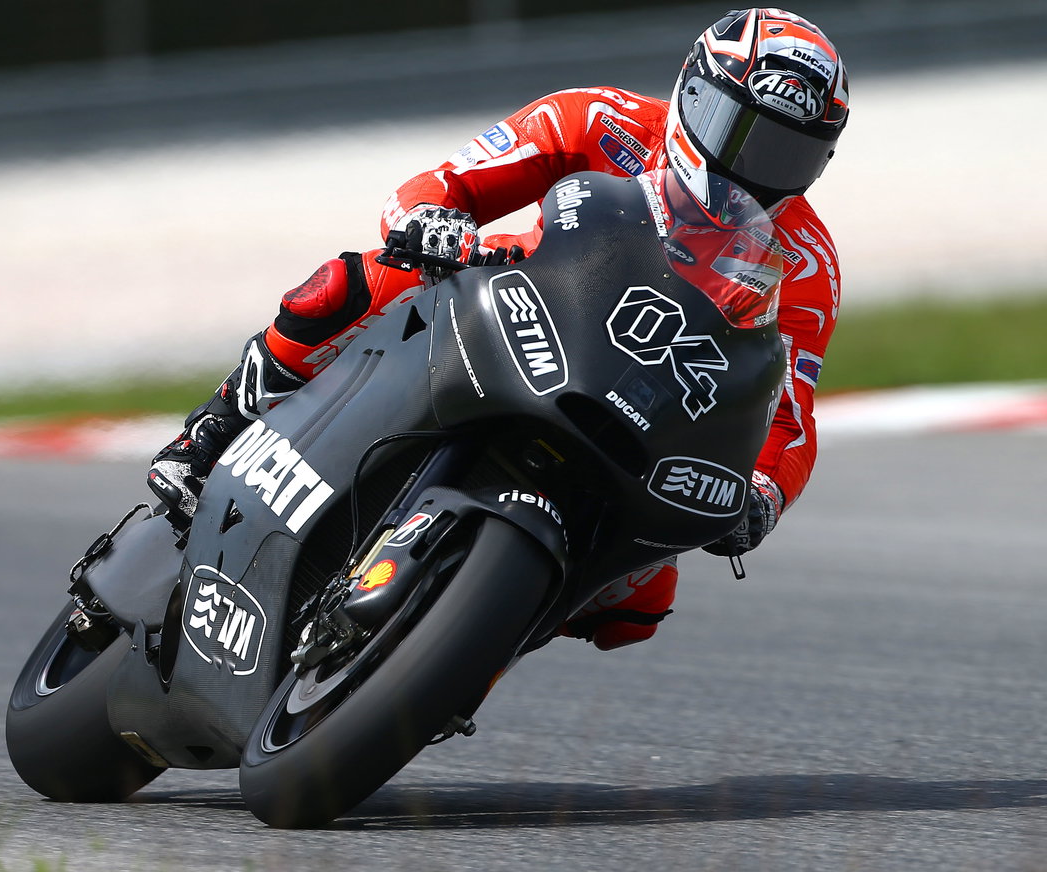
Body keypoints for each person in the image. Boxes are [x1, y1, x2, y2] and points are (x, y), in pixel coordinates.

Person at [148, 8, 849, 651]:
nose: (751, 170)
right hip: (524, 304)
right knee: (356, 284)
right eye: (740, 134)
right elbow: (448, 181)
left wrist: (763, 495)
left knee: (635, 604)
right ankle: (213, 431)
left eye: (786, 154)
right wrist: (429, 220)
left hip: (645, 411)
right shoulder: (597, 119)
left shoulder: (807, 263)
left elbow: (789, 413)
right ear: (694, 94)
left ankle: (457, 662)